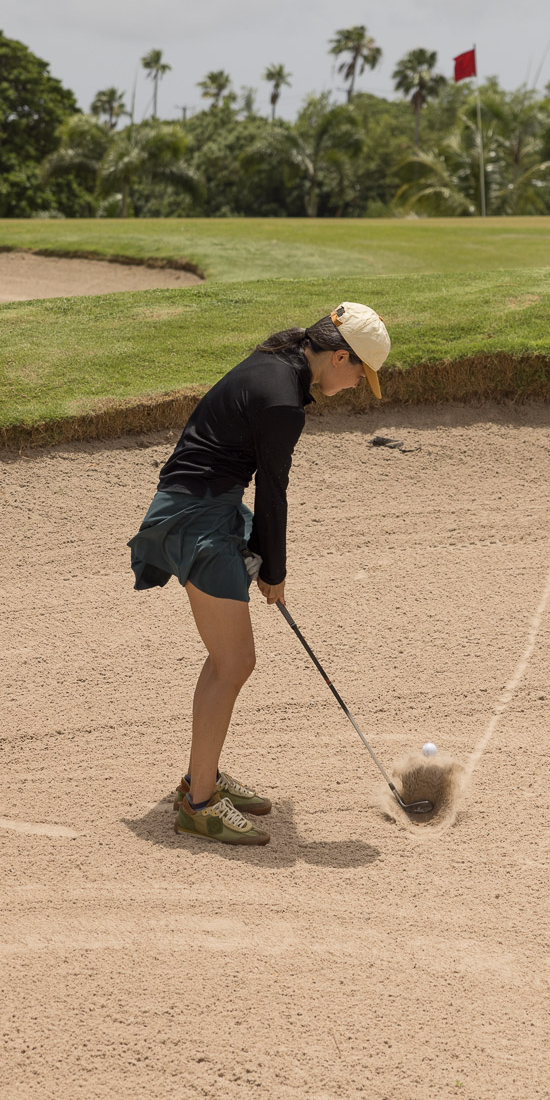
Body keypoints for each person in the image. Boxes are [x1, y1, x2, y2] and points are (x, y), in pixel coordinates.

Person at [128, 302, 390, 846]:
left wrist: (258, 549)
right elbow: (273, 489)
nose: (355, 388)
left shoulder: (280, 360)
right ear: (339, 357)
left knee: (227, 660)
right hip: (194, 515)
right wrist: (274, 568)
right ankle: (198, 804)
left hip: (207, 505)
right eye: (358, 376)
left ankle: (201, 778)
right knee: (236, 661)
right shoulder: (283, 400)